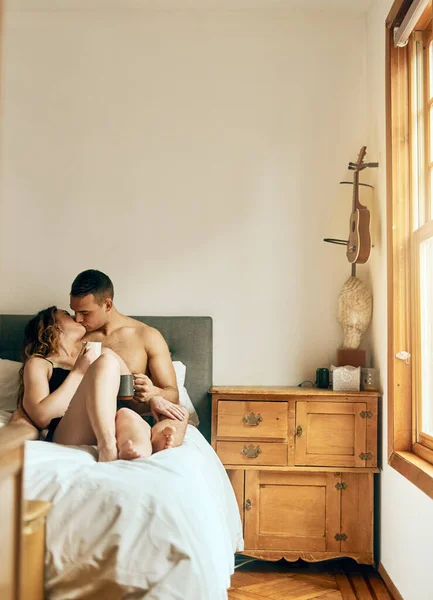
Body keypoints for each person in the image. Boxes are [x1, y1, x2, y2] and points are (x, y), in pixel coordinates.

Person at [18, 306, 188, 461]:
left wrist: (152, 397)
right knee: (106, 360)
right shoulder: (39, 363)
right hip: (69, 432)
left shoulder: (102, 353)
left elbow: (131, 397)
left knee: (127, 415)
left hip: (107, 421)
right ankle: (107, 445)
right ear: (54, 325)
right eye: (68, 315)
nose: (77, 318)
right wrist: (78, 372)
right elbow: (42, 417)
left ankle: (138, 449)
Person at [68, 269, 188, 457]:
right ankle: (147, 441)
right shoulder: (76, 339)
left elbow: (172, 393)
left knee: (180, 413)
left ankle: (157, 437)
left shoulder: (146, 335)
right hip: (90, 421)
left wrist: (154, 392)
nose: (77, 319)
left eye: (84, 312)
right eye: (74, 312)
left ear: (107, 304)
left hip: (135, 418)